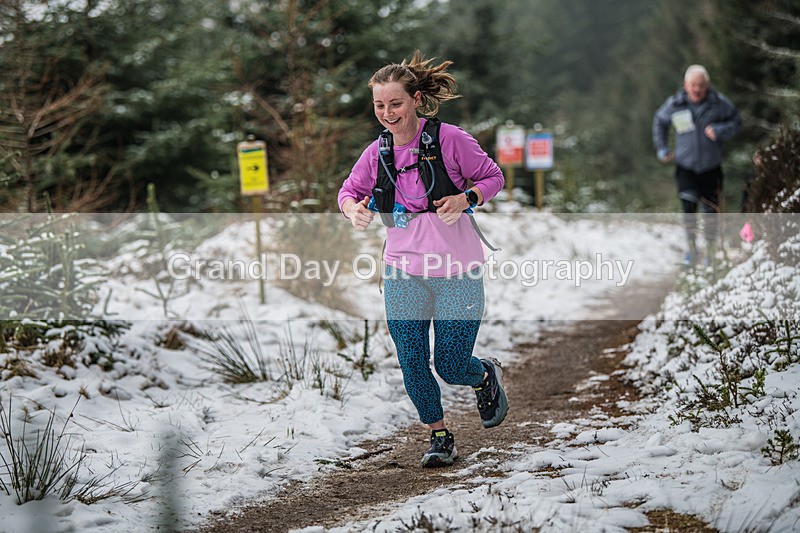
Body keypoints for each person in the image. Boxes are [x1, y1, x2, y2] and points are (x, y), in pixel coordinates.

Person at [338, 50, 508, 468]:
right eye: (379, 105)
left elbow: (494, 178)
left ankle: (483, 374)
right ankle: (440, 436)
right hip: (402, 272)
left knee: (450, 365)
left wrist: (466, 197)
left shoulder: (451, 139)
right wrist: (352, 209)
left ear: (415, 99)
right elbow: (347, 190)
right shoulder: (376, 153)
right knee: (412, 361)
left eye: (395, 103)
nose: (387, 113)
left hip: (457, 272)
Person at [652, 64, 741, 266]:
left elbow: (736, 121)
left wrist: (720, 130)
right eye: (693, 85)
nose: (697, 89)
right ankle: (691, 250)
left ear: (707, 85)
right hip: (686, 166)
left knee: (711, 212)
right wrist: (662, 148)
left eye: (701, 85)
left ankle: (710, 251)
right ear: (685, 85)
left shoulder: (719, 104)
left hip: (711, 167)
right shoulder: (675, 104)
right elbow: (659, 121)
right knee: (688, 206)